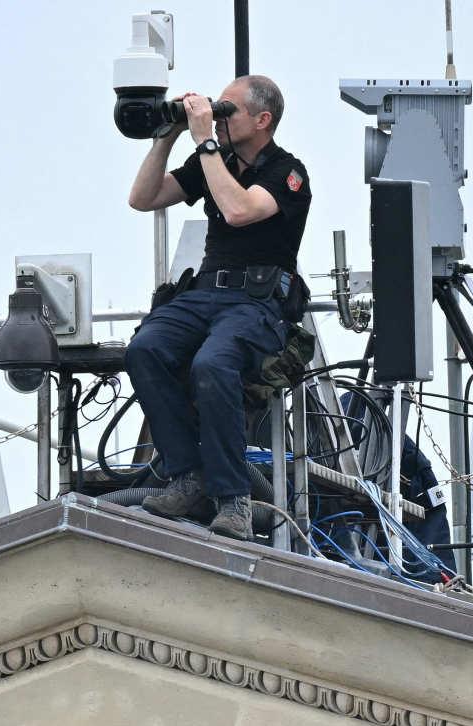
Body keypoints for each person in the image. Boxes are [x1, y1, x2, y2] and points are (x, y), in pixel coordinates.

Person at [122, 76, 313, 540]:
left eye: (229, 109)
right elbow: (142, 199)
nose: (218, 115)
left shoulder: (288, 171)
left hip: (257, 302)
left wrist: (207, 139)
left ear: (262, 120)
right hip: (205, 292)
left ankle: (233, 500)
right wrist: (165, 140)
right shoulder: (214, 160)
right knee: (144, 349)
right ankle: (189, 476)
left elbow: (240, 210)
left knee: (214, 363)